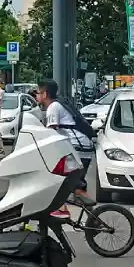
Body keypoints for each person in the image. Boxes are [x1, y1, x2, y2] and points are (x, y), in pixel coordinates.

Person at [35, 80, 95, 217]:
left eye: (37, 93)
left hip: (77, 147)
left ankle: (63, 209)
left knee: (59, 178)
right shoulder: (58, 104)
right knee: (75, 185)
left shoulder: (53, 107)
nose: (36, 96)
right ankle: (94, 217)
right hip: (81, 147)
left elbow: (50, 132)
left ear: (45, 94)